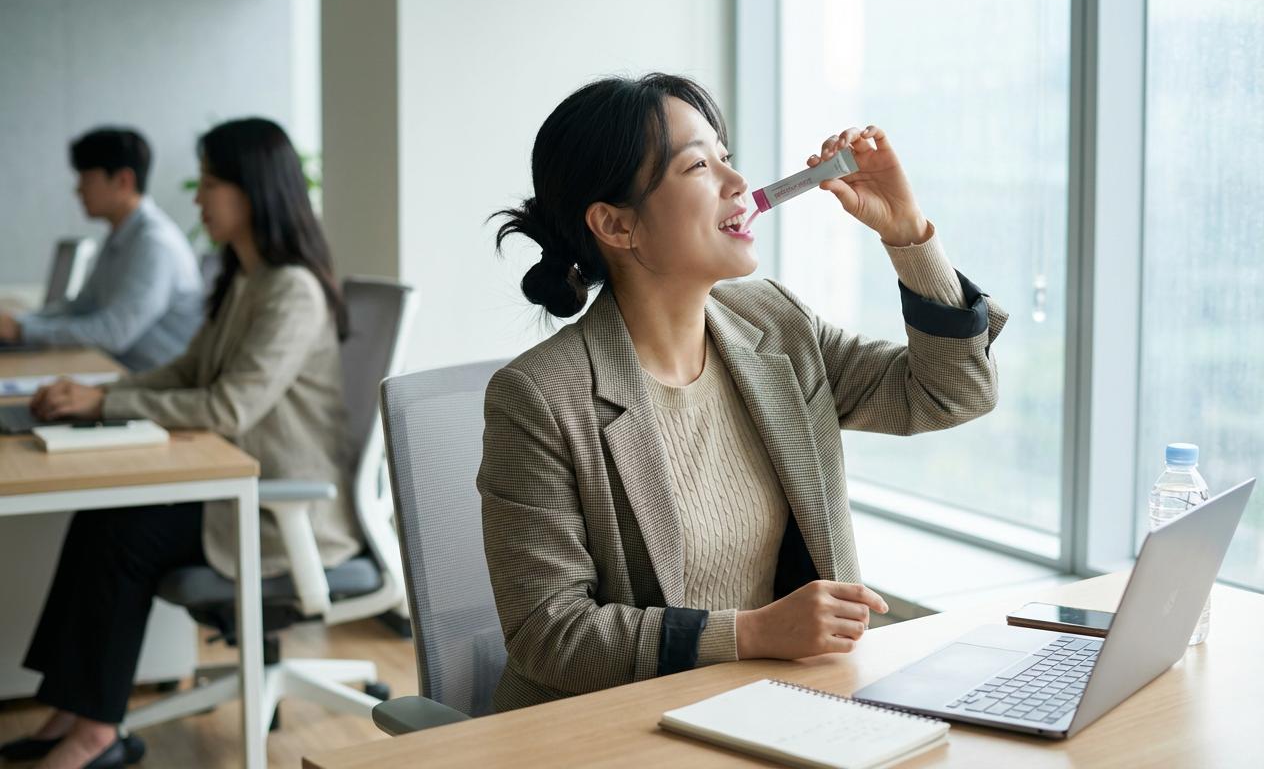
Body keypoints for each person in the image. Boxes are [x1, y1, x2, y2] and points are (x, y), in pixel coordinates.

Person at [479, 73, 1008, 712]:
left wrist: (908, 235)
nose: (737, 185)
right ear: (617, 225)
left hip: (769, 706)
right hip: (615, 729)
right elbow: (550, 634)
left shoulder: (774, 324)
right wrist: (750, 634)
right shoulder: (538, 397)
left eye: (727, 158)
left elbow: (948, 394)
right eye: (698, 166)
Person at [0, 119, 361, 769]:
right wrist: (101, 394)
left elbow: (227, 406)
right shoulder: (244, 279)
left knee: (123, 534)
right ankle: (73, 710)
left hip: (281, 508)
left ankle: (96, 731)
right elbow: (189, 371)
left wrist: (108, 400)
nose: (198, 198)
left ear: (256, 190)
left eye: (213, 183)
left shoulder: (291, 291)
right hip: (236, 484)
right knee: (102, 515)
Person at [0, 128, 203, 371]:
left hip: (154, 383)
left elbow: (113, 333)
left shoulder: (155, 244)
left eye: (87, 180)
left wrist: (22, 330)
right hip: (120, 372)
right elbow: (83, 307)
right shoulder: (123, 235)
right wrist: (19, 322)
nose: (78, 190)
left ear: (123, 181)